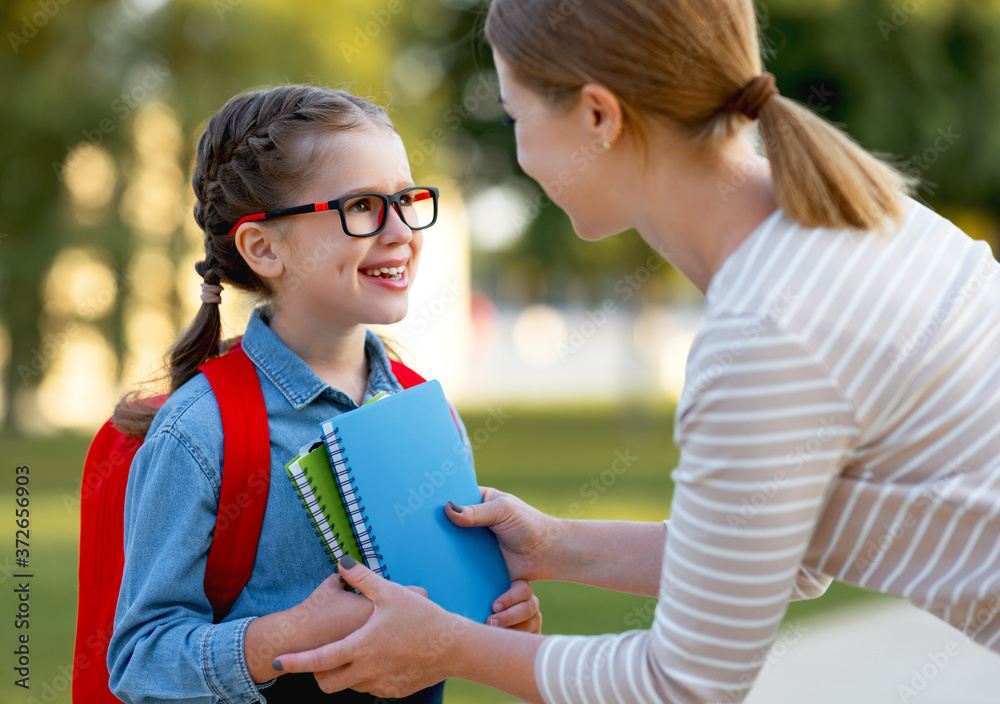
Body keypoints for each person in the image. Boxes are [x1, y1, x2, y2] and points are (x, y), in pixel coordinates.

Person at [270, 1, 1000, 703]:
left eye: (518, 115)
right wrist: (553, 547)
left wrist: (450, 646)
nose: (521, 153)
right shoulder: (852, 219)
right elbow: (783, 551)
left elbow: (683, 685)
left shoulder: (767, 331)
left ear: (597, 116)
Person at [106, 85, 541, 704]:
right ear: (263, 248)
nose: (399, 231)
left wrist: (501, 626)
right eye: (362, 206)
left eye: (406, 200)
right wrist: (280, 638)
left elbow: (450, 630)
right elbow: (138, 662)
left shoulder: (425, 411)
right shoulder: (201, 431)